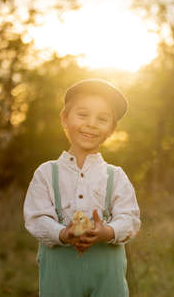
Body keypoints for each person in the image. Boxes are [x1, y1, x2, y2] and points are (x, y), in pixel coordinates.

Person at [23, 79, 141, 297]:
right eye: (83, 115)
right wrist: (63, 233)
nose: (91, 124)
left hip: (107, 278)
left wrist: (107, 231)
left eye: (102, 119)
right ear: (65, 118)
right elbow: (36, 218)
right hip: (60, 278)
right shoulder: (47, 173)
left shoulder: (116, 176)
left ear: (111, 129)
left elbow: (130, 218)